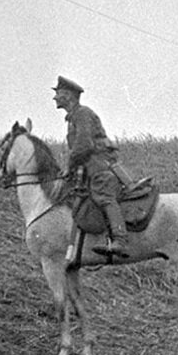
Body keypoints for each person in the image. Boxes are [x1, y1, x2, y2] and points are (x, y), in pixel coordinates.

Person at [52, 76, 131, 257]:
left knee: (104, 197)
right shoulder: (74, 117)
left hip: (100, 168)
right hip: (91, 169)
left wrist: (69, 166)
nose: (54, 98)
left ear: (68, 96)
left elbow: (83, 146)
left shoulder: (82, 114)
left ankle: (120, 240)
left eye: (58, 94)